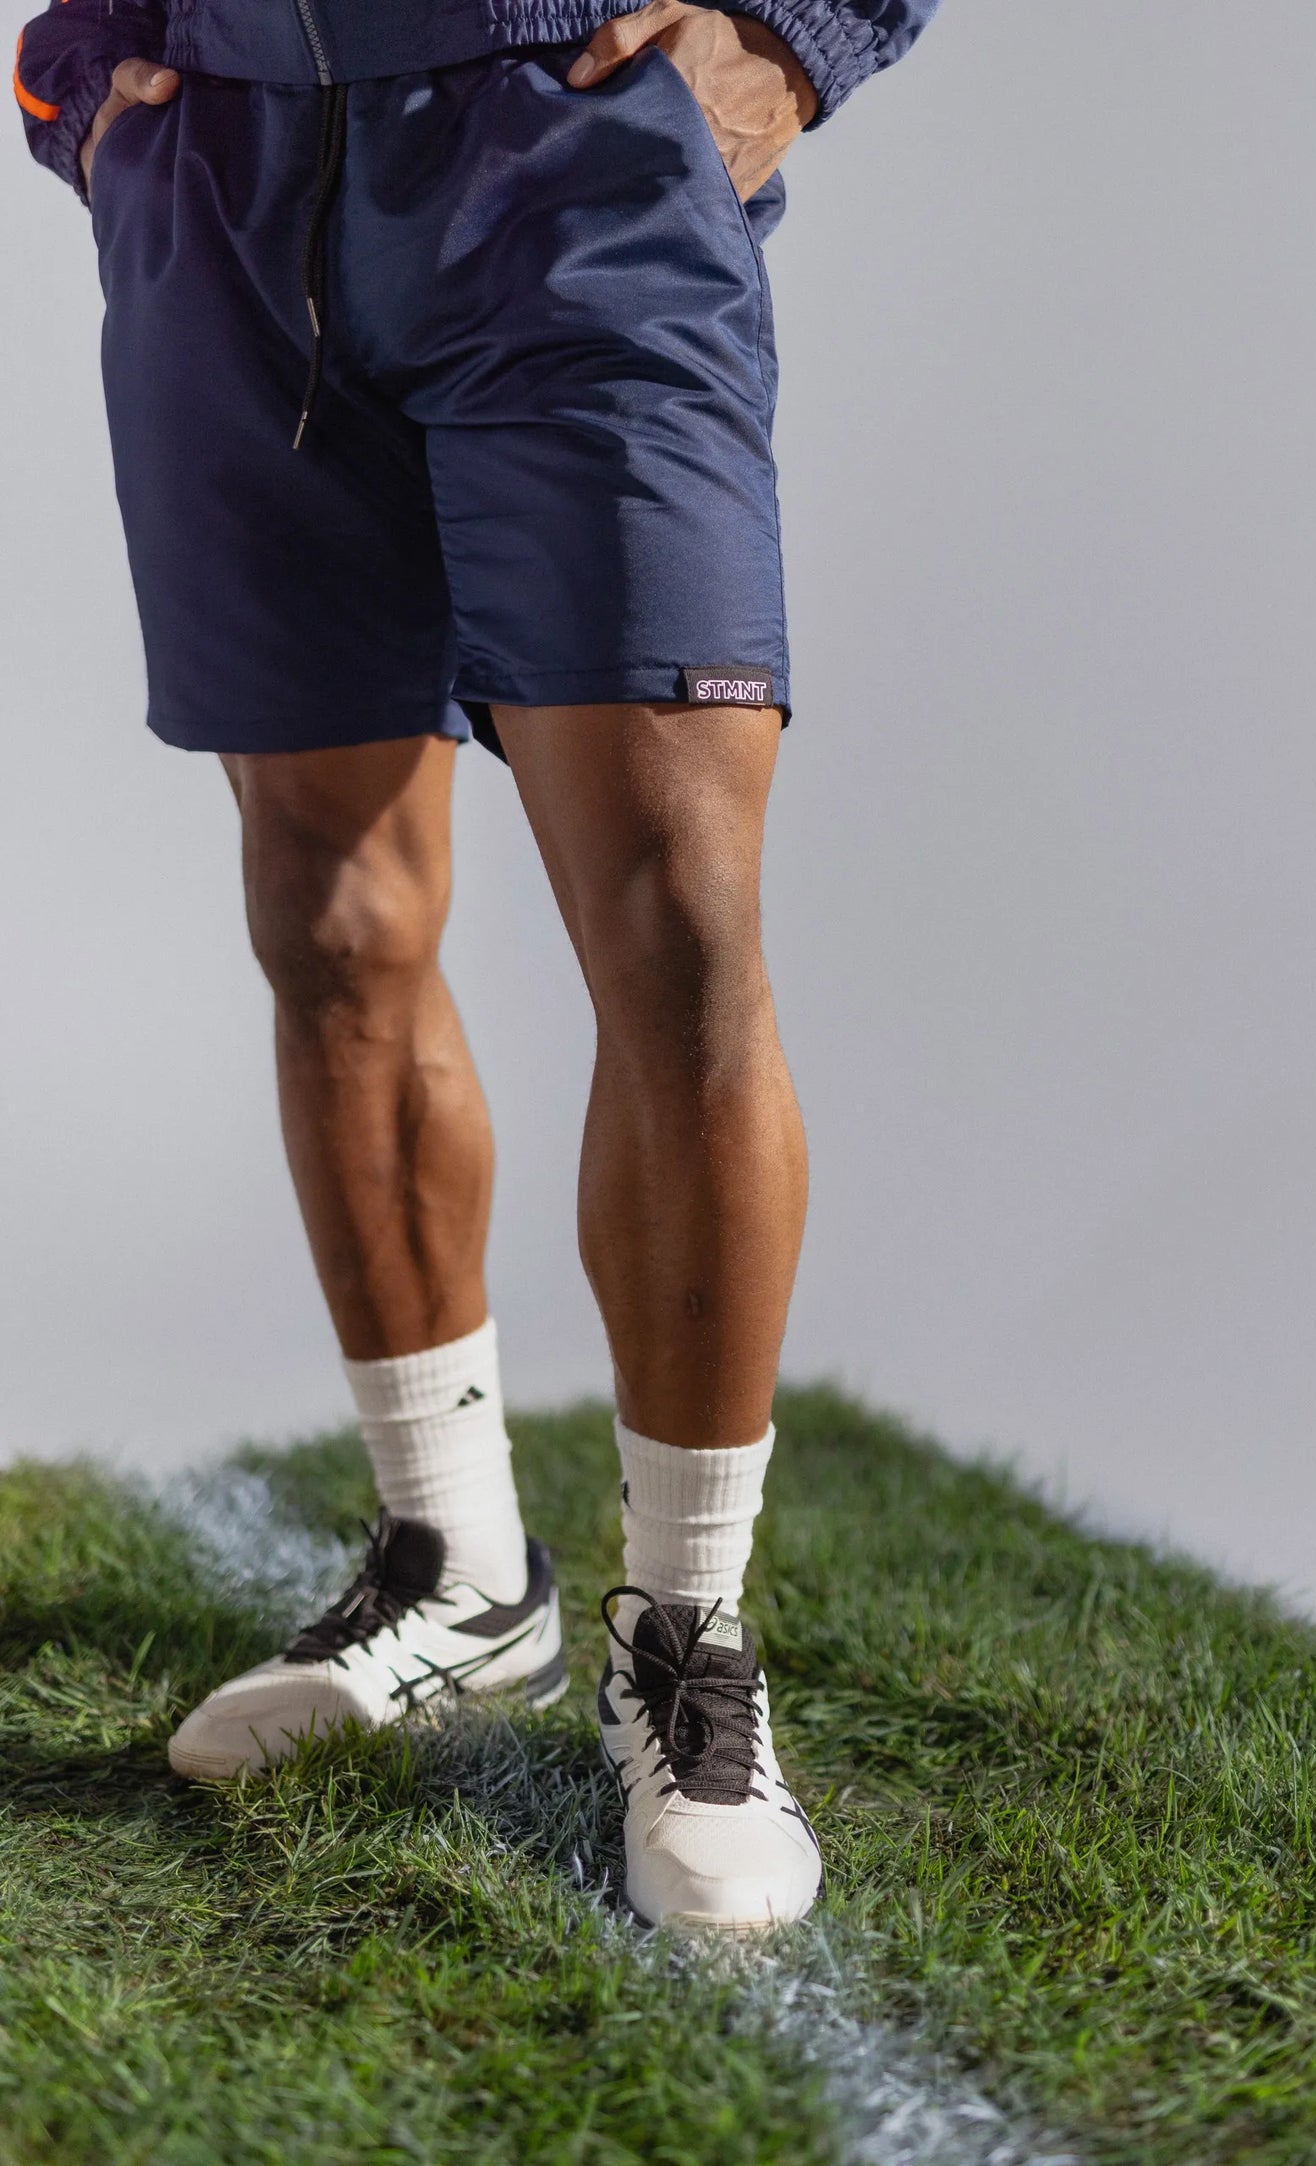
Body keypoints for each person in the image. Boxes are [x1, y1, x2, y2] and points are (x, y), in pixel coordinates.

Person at [16, 0, 935, 1934]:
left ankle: (684, 1638)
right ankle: (453, 1569)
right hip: (229, 195)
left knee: (677, 921)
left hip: (568, 158)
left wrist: (801, 30)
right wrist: (85, 84)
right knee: (330, 916)